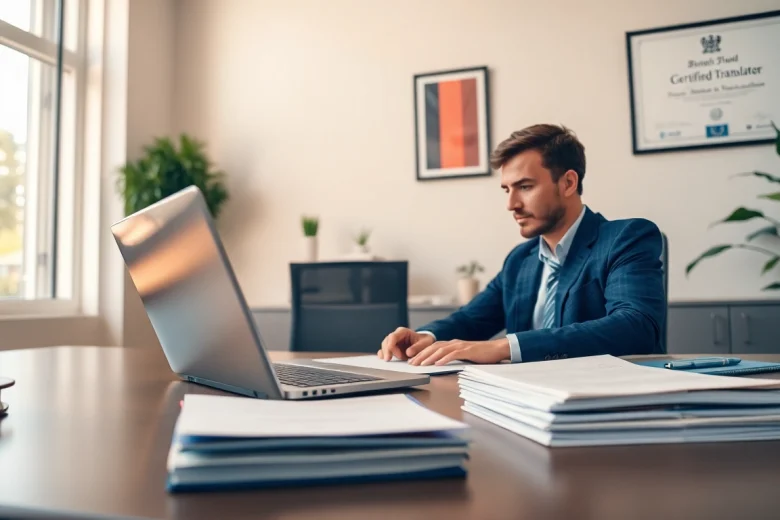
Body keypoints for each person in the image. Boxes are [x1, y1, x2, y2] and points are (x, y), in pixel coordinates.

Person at [378, 124, 665, 366]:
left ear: (568, 183)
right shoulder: (520, 260)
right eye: (507, 189)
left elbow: (635, 326)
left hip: (604, 400)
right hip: (524, 400)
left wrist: (505, 347)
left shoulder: (625, 238)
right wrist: (426, 337)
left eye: (525, 187)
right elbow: (470, 319)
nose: (511, 204)